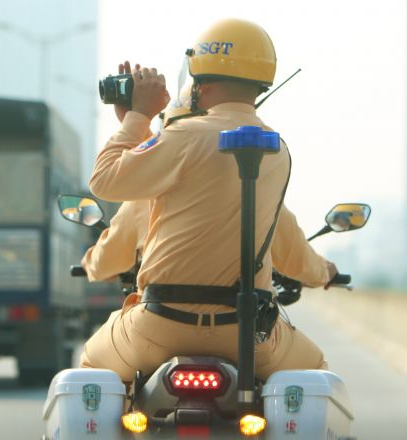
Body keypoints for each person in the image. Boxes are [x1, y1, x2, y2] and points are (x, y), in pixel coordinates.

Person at [80, 18, 337, 382]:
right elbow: (293, 252)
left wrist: (136, 118)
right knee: (315, 371)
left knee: (91, 367)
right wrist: (325, 272)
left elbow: (104, 181)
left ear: (201, 82)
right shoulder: (275, 151)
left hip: (159, 327)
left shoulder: (181, 136)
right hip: (249, 336)